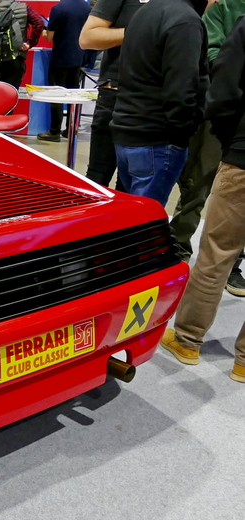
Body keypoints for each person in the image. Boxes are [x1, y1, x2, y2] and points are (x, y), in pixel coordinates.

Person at [160, 16, 245, 383]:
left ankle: (188, 339)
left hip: (244, 157)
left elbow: (224, 91)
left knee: (216, 253)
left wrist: (231, 143)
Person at [170, 0, 245, 295]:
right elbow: (214, 57)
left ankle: (234, 265)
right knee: (198, 185)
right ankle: (178, 246)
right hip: (224, 116)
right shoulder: (225, 8)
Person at [109, 0, 208, 206]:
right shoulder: (185, 21)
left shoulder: (144, 12)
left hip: (128, 129)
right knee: (145, 221)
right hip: (157, 137)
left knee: (134, 216)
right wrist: (182, 135)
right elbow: (182, 87)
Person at [78, 0, 146, 188]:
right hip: (116, 93)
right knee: (98, 174)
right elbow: (87, 38)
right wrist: (144, 30)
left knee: (132, 179)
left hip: (154, 98)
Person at [36, 0, 90, 142]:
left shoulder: (58, 8)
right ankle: (71, 129)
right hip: (78, 57)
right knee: (74, 95)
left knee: (56, 95)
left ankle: (54, 132)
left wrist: (43, 31)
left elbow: (50, 36)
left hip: (60, 57)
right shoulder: (86, 7)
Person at [0, 0, 44, 89]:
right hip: (16, 60)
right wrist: (30, 43)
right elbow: (39, 22)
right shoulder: (24, 8)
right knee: (11, 95)